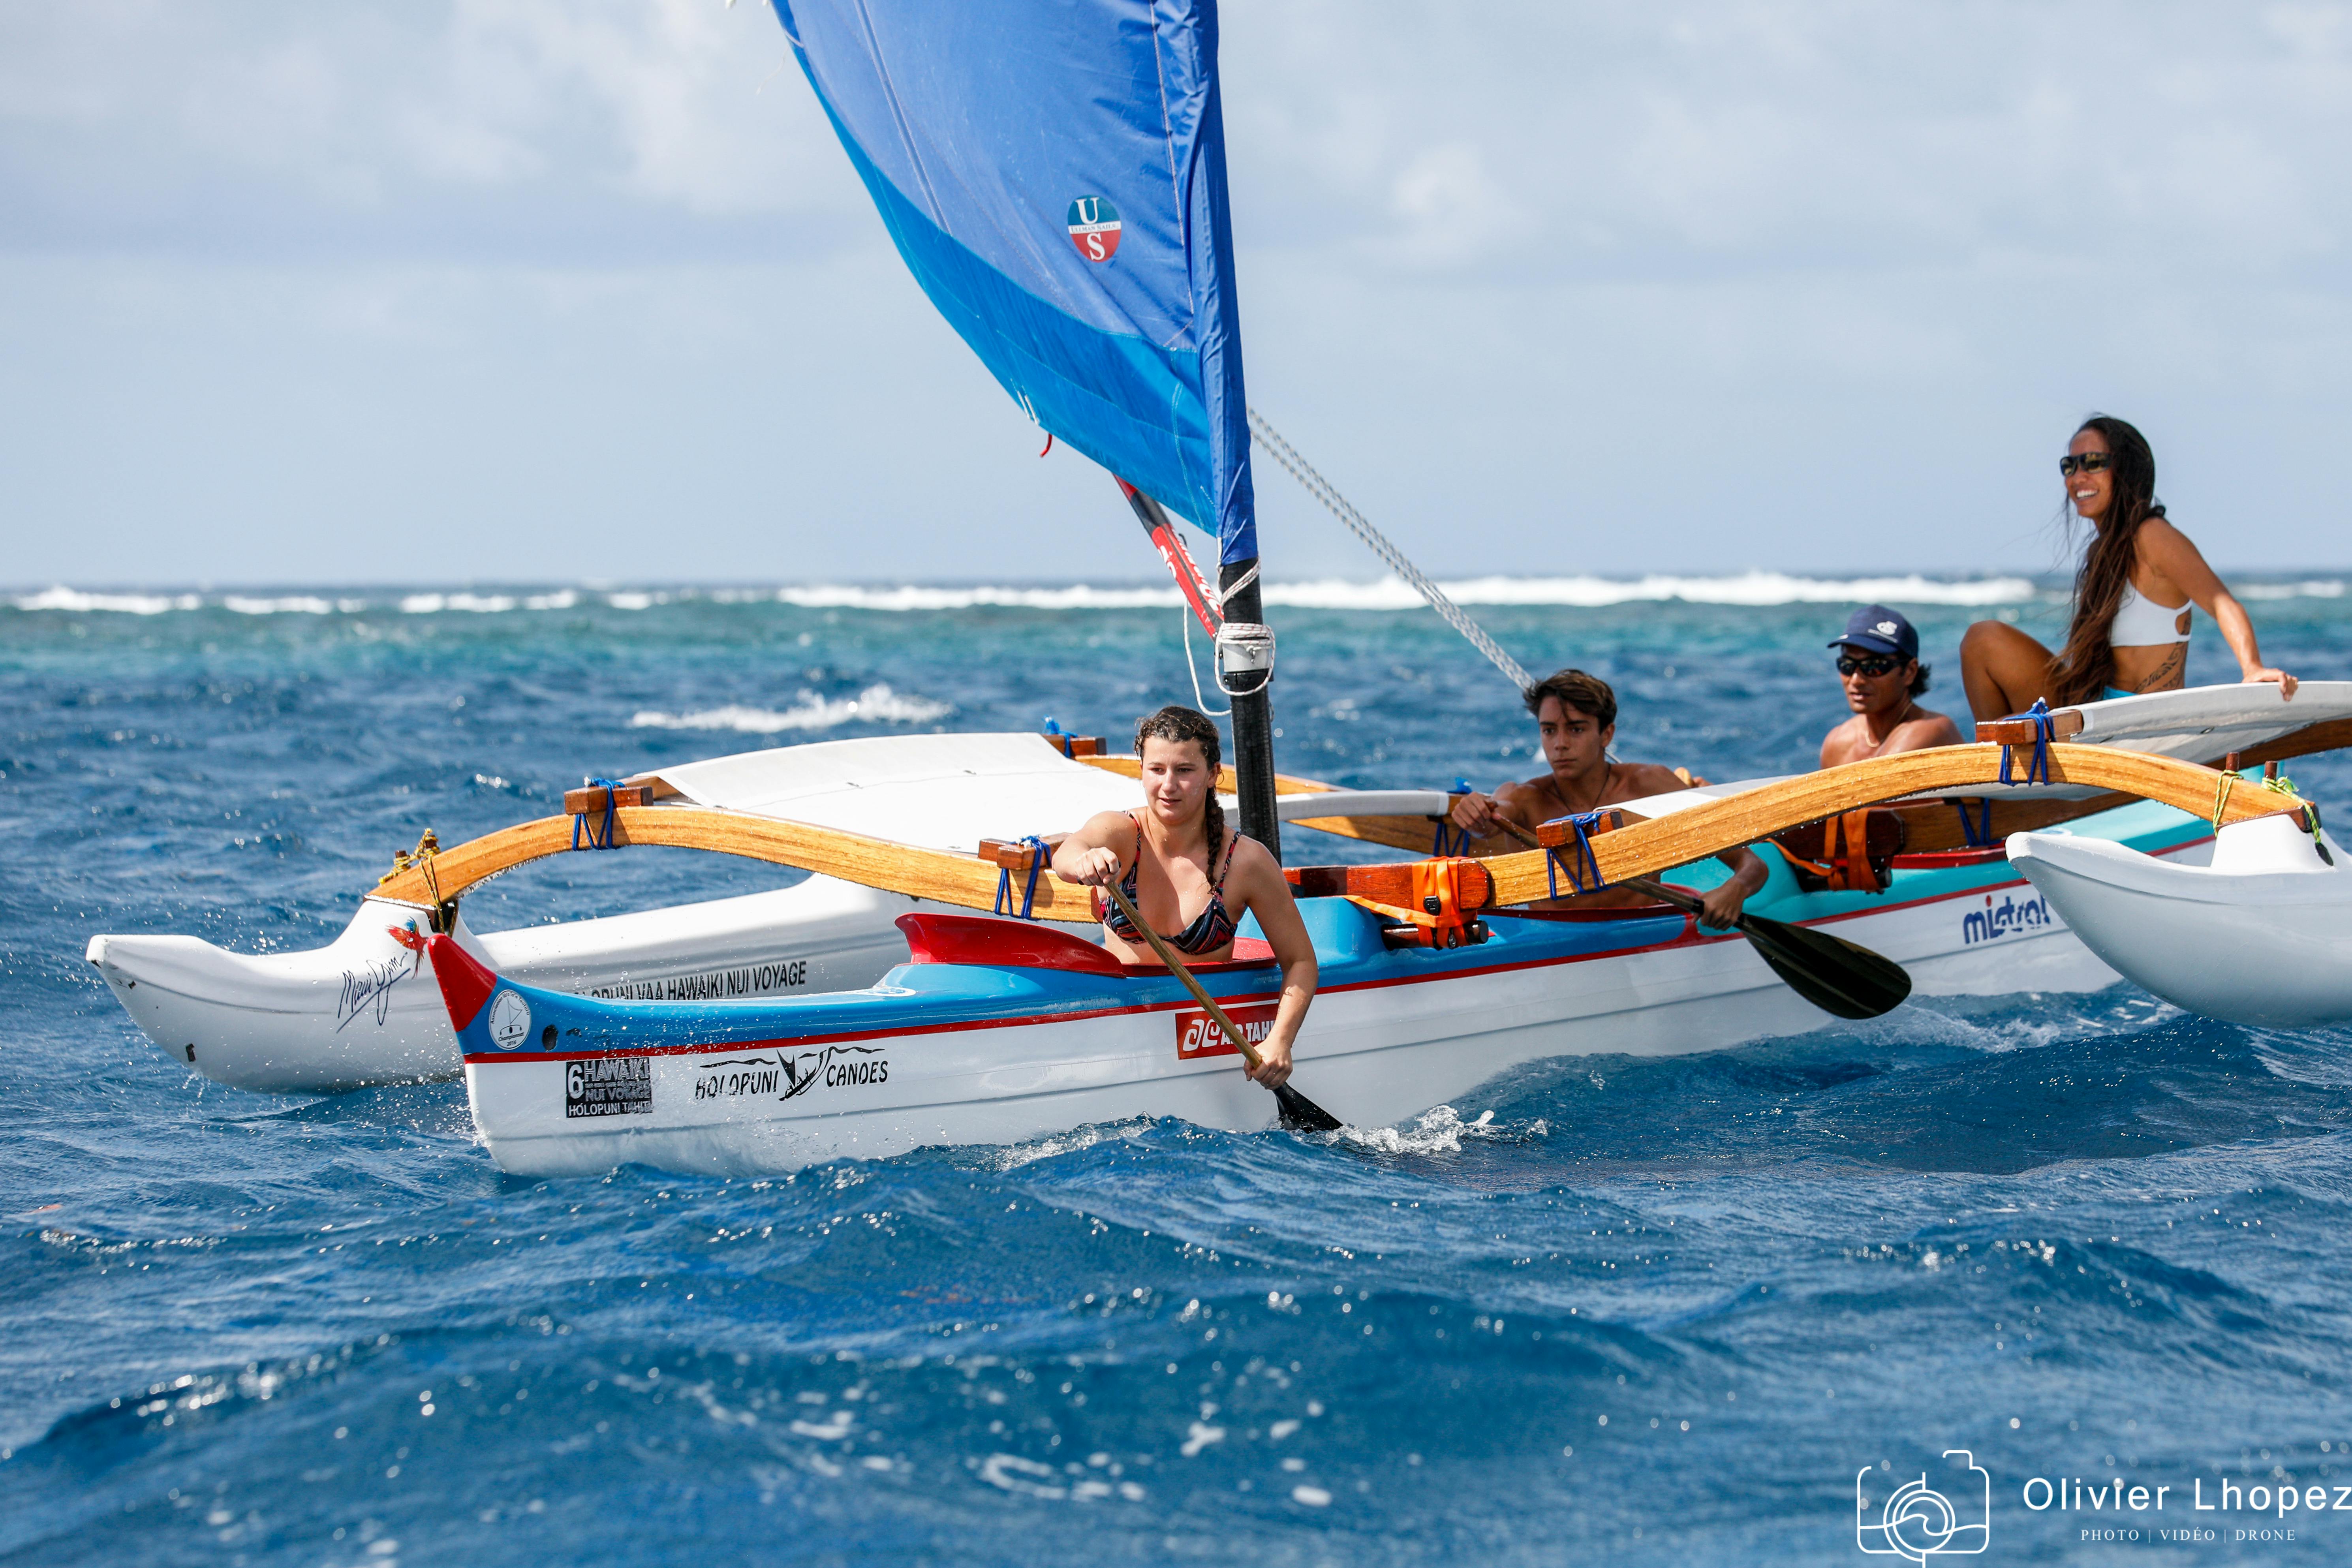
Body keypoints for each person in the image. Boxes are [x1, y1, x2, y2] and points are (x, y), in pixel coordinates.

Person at [1959, 415, 2296, 721]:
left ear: (2125, 470)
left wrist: (2252, 667)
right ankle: (2001, 773)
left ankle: (2011, 782)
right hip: (2095, 707)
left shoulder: (2153, 536)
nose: (2079, 476)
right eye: (2070, 466)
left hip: (2143, 719)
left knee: (1984, 638)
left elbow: (2223, 603)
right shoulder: (2100, 552)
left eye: (2093, 463)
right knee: (1982, 641)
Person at [1053, 705, 1318, 1089]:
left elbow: (1301, 961)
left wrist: (1280, 1039)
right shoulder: (1118, 831)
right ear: (1141, 770)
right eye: (1156, 770)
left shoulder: (1246, 862)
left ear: (1213, 775)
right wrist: (1085, 859)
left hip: (1201, 1039)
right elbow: (1066, 854)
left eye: (1184, 770)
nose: (1168, 785)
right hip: (1120, 1030)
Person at [1446, 669, 1766, 928]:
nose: (1559, 744)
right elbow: (1491, 819)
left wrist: (1734, 890)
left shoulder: (1652, 785)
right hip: (1556, 946)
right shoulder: (1521, 799)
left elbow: (1752, 865)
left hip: (1645, 940)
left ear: (1606, 734)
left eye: (1575, 730)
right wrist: (1476, 816)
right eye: (1548, 731)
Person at [1818, 605, 1964, 767]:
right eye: (1847, 665)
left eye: (1874, 666)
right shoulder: (1837, 744)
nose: (1856, 680)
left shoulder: (1930, 730)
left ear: (1910, 672)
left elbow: (1876, 784)